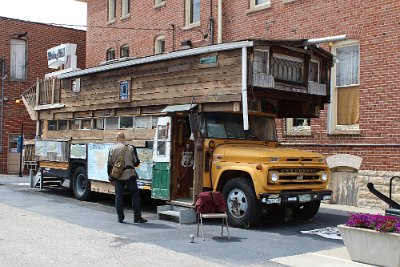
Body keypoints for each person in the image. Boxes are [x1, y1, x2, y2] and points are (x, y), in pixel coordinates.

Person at [107, 132, 147, 224]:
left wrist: (111, 178)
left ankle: (120, 218)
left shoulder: (112, 149)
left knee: (119, 196)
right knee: (135, 195)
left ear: (117, 138)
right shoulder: (131, 148)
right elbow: (136, 162)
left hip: (118, 176)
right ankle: (137, 217)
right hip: (130, 175)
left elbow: (109, 165)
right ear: (124, 138)